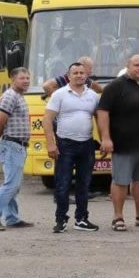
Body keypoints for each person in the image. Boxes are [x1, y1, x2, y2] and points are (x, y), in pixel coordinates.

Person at [96, 54, 139, 232]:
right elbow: (102, 112)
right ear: (128, 66)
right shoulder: (116, 86)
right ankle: (117, 217)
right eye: (136, 65)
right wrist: (105, 138)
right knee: (121, 180)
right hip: (123, 143)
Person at [44, 62, 102, 233]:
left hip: (87, 145)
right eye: (75, 73)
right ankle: (61, 220)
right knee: (62, 184)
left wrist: (105, 140)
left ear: (86, 76)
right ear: (68, 76)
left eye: (82, 73)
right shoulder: (59, 95)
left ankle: (81, 219)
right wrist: (50, 143)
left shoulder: (93, 96)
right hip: (65, 145)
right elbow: (47, 120)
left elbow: (100, 119)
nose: (78, 75)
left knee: (84, 184)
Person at [0, 68, 34, 230]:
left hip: (17, 145)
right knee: (11, 184)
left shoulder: (18, 96)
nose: (26, 81)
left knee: (14, 184)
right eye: (22, 78)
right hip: (11, 145)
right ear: (12, 79)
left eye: (28, 78)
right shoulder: (10, 96)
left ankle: (11, 218)